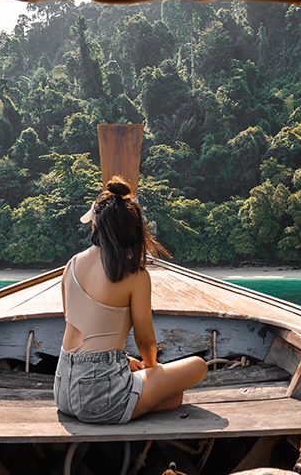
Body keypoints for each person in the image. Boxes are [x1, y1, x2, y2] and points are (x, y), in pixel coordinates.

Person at [54, 176, 208, 424]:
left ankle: (142, 398)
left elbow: (78, 324)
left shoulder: (71, 265)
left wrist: (124, 360)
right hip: (101, 397)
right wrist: (150, 369)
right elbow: (146, 341)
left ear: (96, 226)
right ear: (133, 231)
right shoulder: (135, 275)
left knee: (171, 397)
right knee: (198, 366)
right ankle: (138, 401)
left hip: (63, 389)